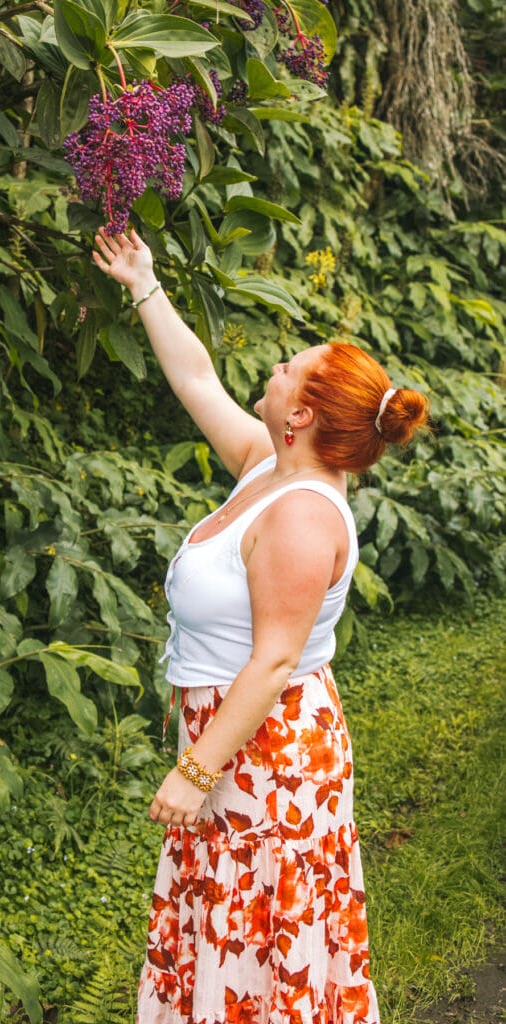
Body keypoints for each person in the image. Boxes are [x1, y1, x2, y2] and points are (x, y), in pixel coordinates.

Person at [93, 227, 429, 1024]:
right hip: (234, 740)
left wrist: (196, 770)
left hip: (266, 757)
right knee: (227, 926)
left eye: (289, 368)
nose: (273, 369)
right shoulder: (268, 464)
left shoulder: (303, 516)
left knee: (258, 936)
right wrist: (143, 280)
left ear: (302, 412)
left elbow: (275, 661)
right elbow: (196, 379)